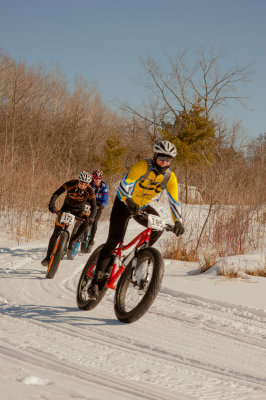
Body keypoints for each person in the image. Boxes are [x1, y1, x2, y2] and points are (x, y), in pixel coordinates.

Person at [87, 140, 185, 299]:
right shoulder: (142, 166)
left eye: (168, 160)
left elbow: (174, 201)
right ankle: (96, 281)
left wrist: (178, 221)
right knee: (114, 240)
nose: (164, 162)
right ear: (155, 156)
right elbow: (124, 185)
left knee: (158, 228)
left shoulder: (170, 177)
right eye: (161, 158)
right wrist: (128, 200)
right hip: (124, 202)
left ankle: (140, 257)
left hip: (142, 206)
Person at [41, 171, 97, 266]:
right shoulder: (70, 184)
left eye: (85, 184)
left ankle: (73, 240)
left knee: (86, 221)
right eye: (81, 183)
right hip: (66, 208)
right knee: (56, 232)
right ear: (78, 181)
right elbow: (56, 194)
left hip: (80, 211)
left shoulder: (90, 190)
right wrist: (52, 205)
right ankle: (47, 257)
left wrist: (92, 217)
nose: (83, 186)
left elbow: (94, 206)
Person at [81, 169, 109, 253]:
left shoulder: (104, 187)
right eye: (96, 178)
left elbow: (105, 200)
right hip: (89, 201)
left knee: (94, 221)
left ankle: (90, 242)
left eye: (99, 178)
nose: (97, 180)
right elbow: (83, 194)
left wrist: (101, 207)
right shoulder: (89, 184)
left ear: (101, 178)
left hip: (99, 204)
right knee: (82, 216)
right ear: (93, 178)